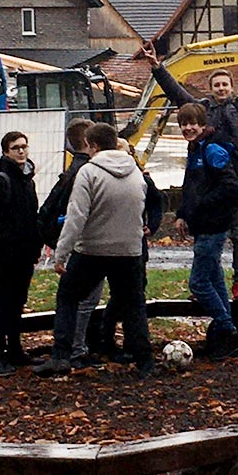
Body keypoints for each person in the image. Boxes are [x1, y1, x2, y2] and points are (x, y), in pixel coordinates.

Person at [143, 41, 238, 301]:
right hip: (207, 183)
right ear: (211, 89)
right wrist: (157, 67)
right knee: (205, 235)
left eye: (225, 84)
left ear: (231, 88)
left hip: (235, 183)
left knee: (237, 234)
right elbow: (176, 93)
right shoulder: (202, 110)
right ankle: (206, 283)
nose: (221, 88)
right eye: (217, 85)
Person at [33, 122, 153, 379]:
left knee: (68, 297)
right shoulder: (135, 172)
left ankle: (61, 356)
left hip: (92, 249)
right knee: (134, 305)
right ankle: (144, 361)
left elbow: (76, 217)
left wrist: (61, 254)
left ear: (93, 145)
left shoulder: (88, 172)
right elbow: (141, 209)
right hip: (129, 251)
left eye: (87, 146)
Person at [173, 101, 238, 360]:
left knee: (199, 283)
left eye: (193, 123)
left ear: (203, 125)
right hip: (201, 225)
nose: (188, 128)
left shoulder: (212, 150)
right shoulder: (195, 149)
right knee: (215, 280)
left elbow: (230, 186)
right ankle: (223, 334)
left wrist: (202, 206)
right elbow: (190, 186)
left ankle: (228, 331)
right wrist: (182, 213)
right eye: (184, 124)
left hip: (214, 225)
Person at [84, 137, 165, 364]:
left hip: (134, 244)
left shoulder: (140, 177)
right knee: (116, 294)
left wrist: (153, 224)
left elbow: (156, 201)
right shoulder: (97, 174)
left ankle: (126, 343)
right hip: (107, 244)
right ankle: (104, 337)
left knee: (131, 294)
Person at [0, 131, 44, 377]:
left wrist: (35, 244)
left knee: (18, 302)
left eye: (24, 147)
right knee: (4, 303)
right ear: (6, 151)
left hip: (25, 251)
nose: (21, 151)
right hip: (7, 252)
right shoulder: (1, 181)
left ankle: (15, 349)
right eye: (16, 148)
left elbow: (31, 216)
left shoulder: (28, 181)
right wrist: (2, 239)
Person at [37, 118, 98, 368]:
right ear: (87, 142)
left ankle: (75, 347)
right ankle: (76, 349)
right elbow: (76, 214)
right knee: (85, 299)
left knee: (80, 297)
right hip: (80, 245)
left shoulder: (70, 171)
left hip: (70, 242)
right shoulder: (84, 173)